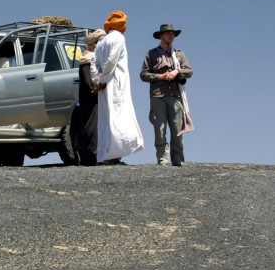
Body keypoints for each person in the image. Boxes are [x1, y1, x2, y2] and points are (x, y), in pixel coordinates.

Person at [90, 11, 144, 164]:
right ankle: (113, 155)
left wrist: (97, 80)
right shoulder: (119, 38)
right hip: (115, 83)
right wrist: (102, 80)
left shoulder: (101, 42)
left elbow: (93, 62)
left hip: (103, 85)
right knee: (118, 117)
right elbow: (111, 62)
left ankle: (106, 155)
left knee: (106, 119)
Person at [140, 23, 193, 166]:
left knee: (177, 129)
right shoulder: (151, 54)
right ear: (161, 36)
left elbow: (189, 71)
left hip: (175, 95)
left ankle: (178, 159)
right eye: (168, 33)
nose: (171, 36)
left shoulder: (179, 54)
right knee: (160, 129)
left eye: (173, 34)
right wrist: (161, 77)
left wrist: (177, 71)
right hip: (158, 96)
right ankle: (163, 159)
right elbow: (143, 75)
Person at [77, 29, 105, 166]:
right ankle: (90, 157)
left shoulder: (94, 59)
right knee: (91, 127)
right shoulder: (86, 59)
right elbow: (89, 84)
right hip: (90, 100)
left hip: (95, 99)